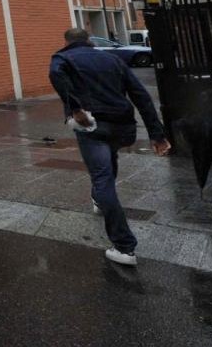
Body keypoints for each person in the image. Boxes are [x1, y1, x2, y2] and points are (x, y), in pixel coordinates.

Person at [49, 27, 171, 267]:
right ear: (88, 40)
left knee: (102, 176)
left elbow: (56, 76)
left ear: (67, 41)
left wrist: (75, 108)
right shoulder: (112, 59)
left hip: (92, 125)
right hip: (123, 126)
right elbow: (141, 96)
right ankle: (98, 198)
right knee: (108, 158)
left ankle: (124, 247)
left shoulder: (62, 58)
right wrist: (157, 134)